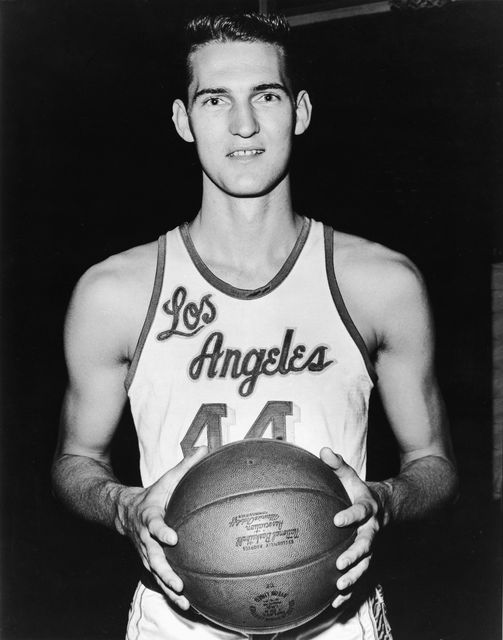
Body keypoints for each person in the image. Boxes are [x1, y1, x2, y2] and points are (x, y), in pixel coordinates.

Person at [52, 12, 458, 640]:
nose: (243, 125)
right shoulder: (115, 294)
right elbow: (76, 458)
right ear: (184, 121)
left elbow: (433, 461)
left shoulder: (380, 283)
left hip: (339, 628)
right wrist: (125, 507)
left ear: (300, 111)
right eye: (215, 100)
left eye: (265, 96)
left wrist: (384, 499)